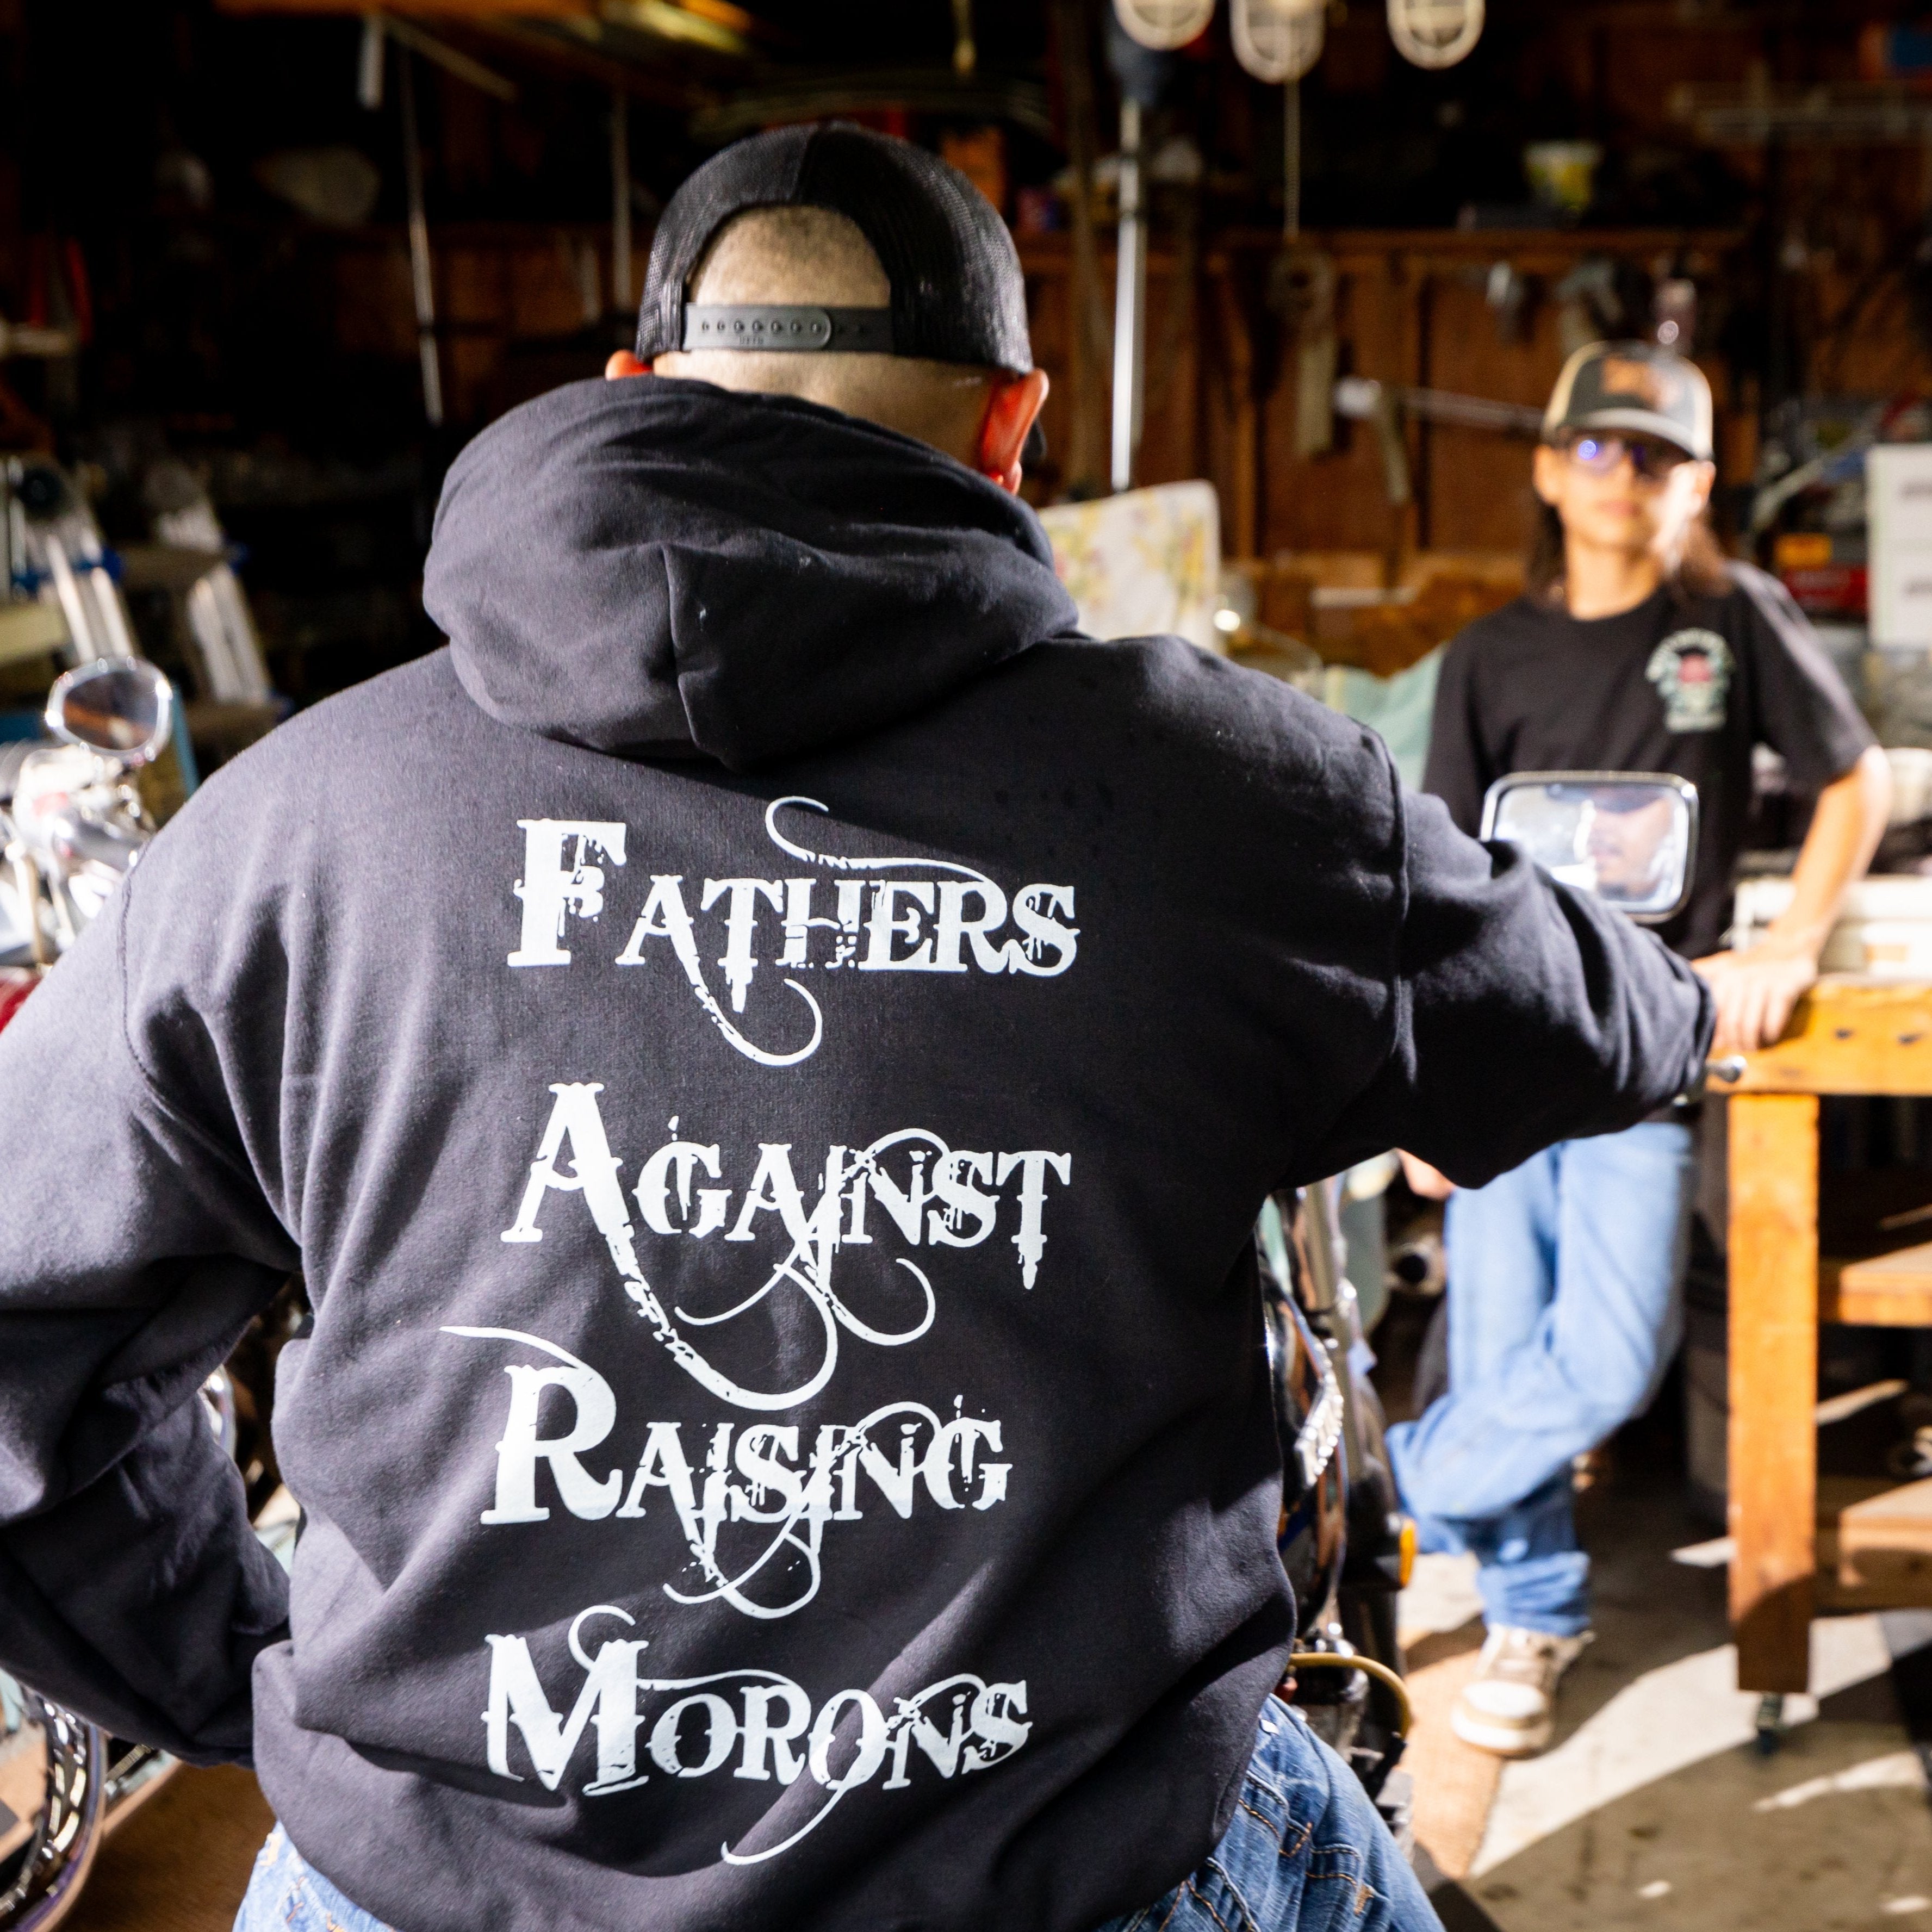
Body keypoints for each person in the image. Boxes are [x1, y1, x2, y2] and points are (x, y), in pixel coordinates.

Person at [0, 129, 1710, 1932]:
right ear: (1009, 425)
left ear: (636, 387)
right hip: (1067, 1872)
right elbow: (1603, 1021)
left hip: (425, 1883)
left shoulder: (295, 821)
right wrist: (1668, 996)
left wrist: (267, 1687)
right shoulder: (1237, 795)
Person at [1393, 339, 1890, 1760]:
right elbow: (1440, 884)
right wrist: (1424, 1083)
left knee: (1608, 1359)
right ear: (1549, 470)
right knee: (1492, 1340)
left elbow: (1852, 778)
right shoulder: (1487, 655)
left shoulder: (1730, 619)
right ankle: (1529, 1611)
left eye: (1661, 455)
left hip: (1643, 1060)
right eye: (1599, 450)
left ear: (1702, 482)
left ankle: (1376, 1493)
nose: (1627, 481)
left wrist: (1787, 940)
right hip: (1502, 1055)